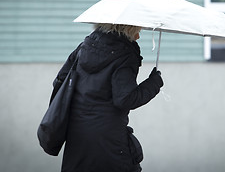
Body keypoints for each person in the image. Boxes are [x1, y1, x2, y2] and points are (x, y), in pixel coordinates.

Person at [56, 23, 164, 172]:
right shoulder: (125, 54)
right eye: (137, 31)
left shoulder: (84, 47)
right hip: (108, 138)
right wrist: (154, 83)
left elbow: (61, 79)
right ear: (127, 29)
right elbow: (125, 99)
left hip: (77, 133)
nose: (138, 36)